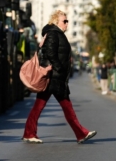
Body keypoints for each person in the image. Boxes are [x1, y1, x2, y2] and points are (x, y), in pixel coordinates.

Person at [22, 10, 97, 144]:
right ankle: (81, 133)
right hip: (53, 78)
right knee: (65, 107)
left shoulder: (57, 34)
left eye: (67, 21)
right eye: (64, 21)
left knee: (41, 107)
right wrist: (59, 68)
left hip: (56, 78)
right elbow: (50, 53)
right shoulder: (53, 34)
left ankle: (29, 133)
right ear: (56, 22)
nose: (67, 24)